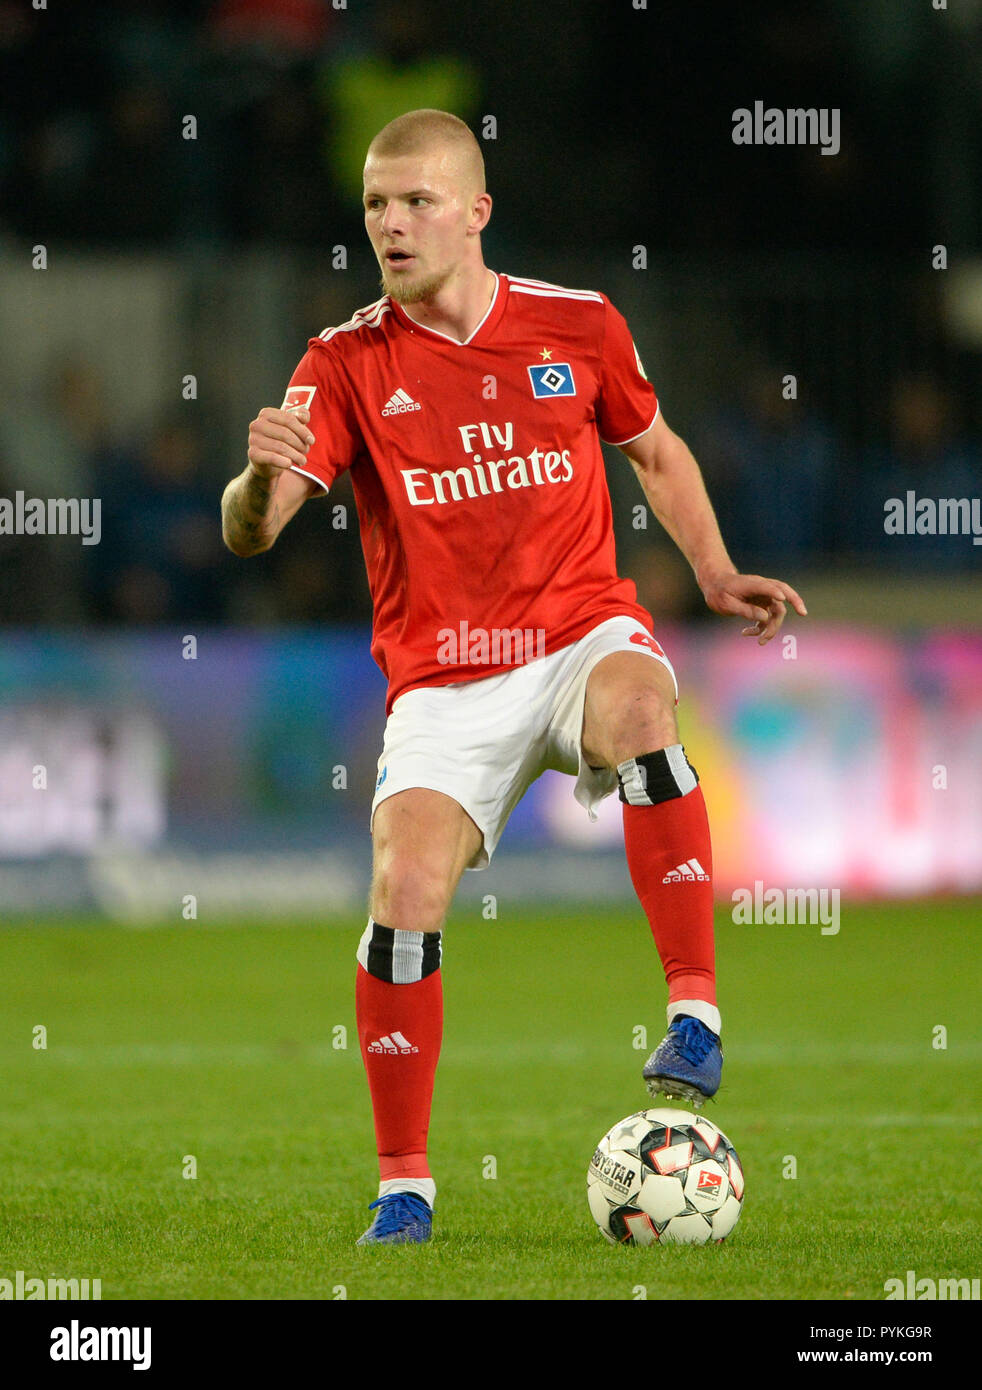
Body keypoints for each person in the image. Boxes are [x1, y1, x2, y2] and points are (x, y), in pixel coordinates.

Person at [220, 109, 806, 1246]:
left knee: (643, 706)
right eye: (376, 207)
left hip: (579, 635)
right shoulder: (339, 365)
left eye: (416, 202)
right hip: (443, 683)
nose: (392, 225)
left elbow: (657, 451)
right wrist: (255, 481)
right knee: (403, 894)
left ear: (476, 210)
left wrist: (717, 568)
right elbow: (256, 530)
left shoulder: (578, 325)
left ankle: (693, 1014)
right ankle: (405, 1184)